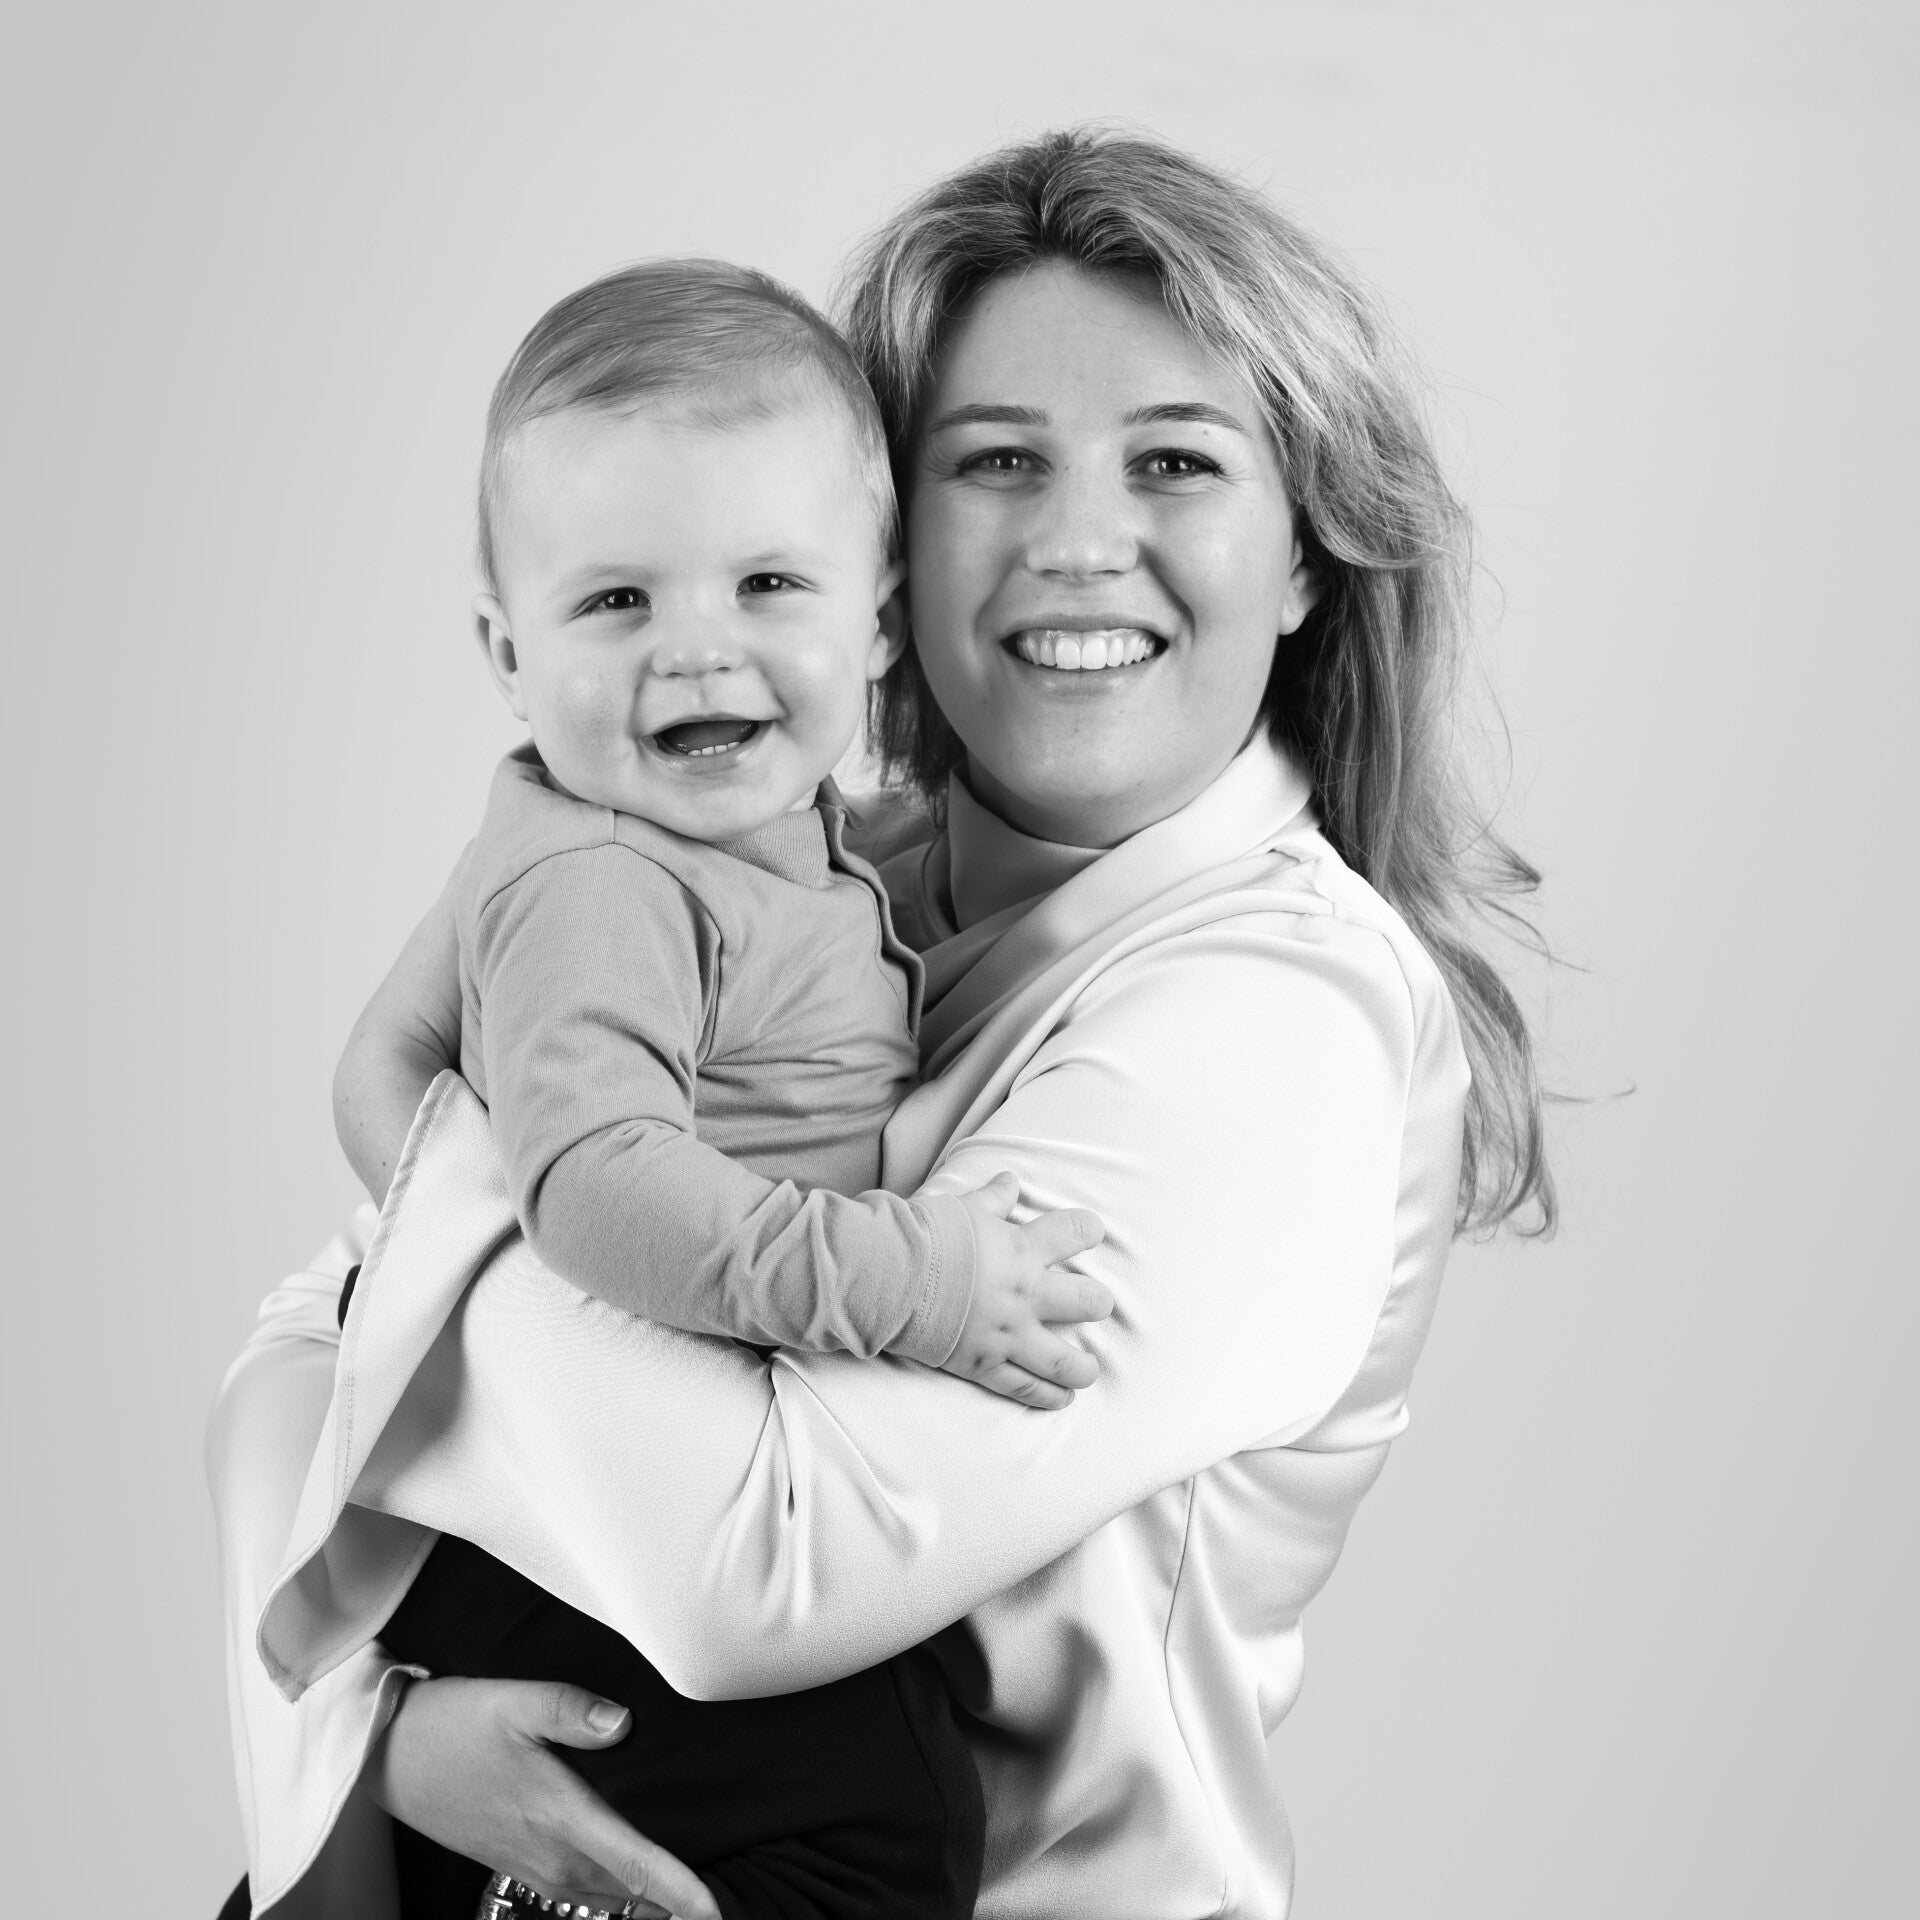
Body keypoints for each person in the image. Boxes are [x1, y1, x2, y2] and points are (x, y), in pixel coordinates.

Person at [210, 126, 1552, 1920]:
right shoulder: (788, 867)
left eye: (1176, 460)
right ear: (894, 547)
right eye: (998, 462)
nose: (1081, 542)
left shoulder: (1280, 1024)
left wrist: (460, 1162)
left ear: (1307, 553)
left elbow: (753, 1573)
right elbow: (293, 1362)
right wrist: (376, 1743)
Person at [318, 256, 1115, 1920]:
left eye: (766, 584)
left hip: (576, 1493)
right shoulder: (603, 885)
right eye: (617, 602)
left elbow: (383, 1070)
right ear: (507, 649)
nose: (696, 651)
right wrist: (917, 1283)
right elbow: (600, 1189)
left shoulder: (743, 846)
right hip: (582, 1509)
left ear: (876, 619)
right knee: (881, 1823)